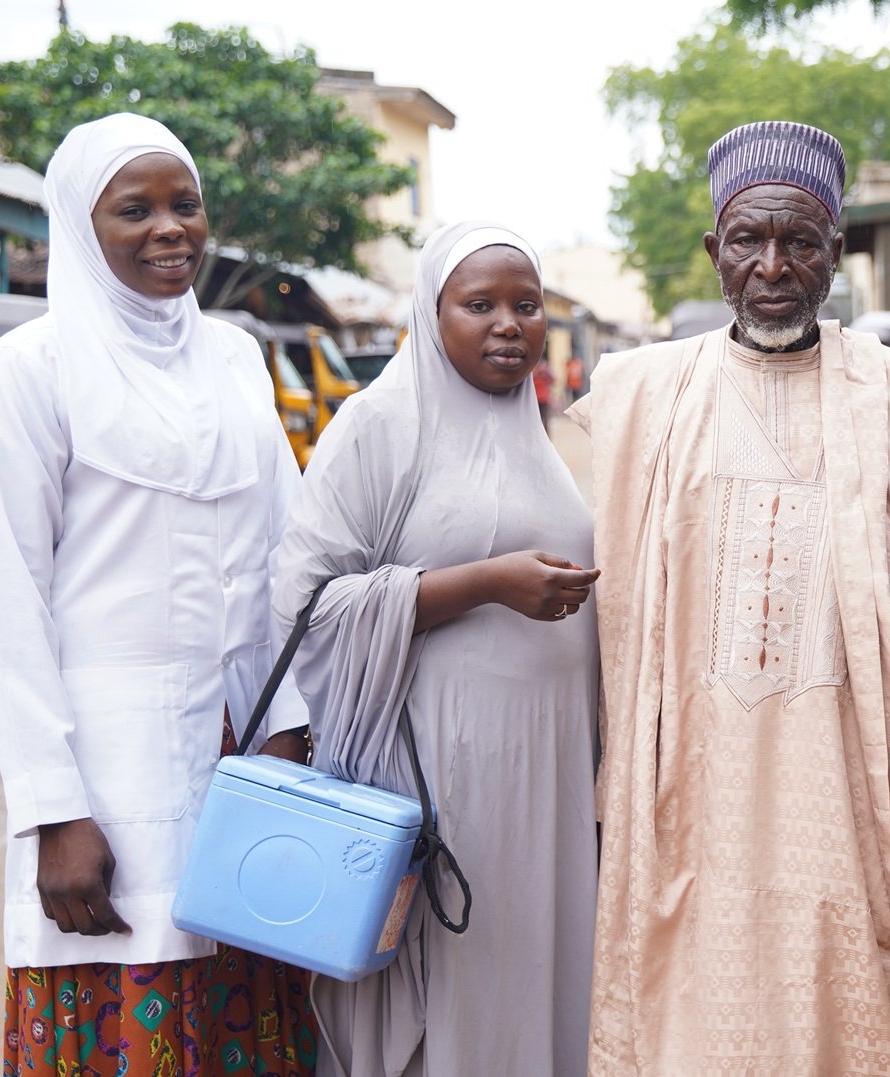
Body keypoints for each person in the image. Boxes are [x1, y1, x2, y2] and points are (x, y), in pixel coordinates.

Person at [569, 120, 890, 1076]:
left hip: (851, 788)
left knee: (850, 1012)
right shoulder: (643, 395)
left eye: (800, 241)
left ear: (835, 252)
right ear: (713, 251)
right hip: (690, 787)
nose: (772, 267)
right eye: (747, 241)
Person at [0, 113, 316, 1075]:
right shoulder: (24, 376)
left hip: (241, 754)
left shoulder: (235, 359)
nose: (170, 228)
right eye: (135, 209)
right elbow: (11, 607)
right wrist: (54, 811)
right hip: (106, 773)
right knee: (128, 988)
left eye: (184, 203)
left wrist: (288, 722)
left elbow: (284, 558)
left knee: (246, 991)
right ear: (80, 227)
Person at [272, 222, 600, 1075]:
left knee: (534, 978)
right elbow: (306, 607)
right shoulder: (379, 425)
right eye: (479, 304)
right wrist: (484, 583)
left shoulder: (537, 438)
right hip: (441, 779)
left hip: (547, 780)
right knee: (456, 982)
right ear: (431, 312)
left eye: (527, 305)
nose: (509, 324)